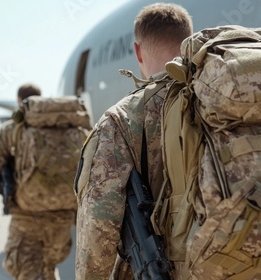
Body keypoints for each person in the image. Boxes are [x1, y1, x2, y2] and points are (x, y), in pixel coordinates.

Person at [74, 3, 193, 279]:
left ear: (137, 50)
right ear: (189, 41)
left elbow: (98, 230)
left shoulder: (122, 119)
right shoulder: (223, 99)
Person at [0, 83, 86, 280]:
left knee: (29, 272)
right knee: (48, 268)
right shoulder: (76, 128)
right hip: (64, 216)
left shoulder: (13, 128)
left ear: (20, 101)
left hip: (27, 217)